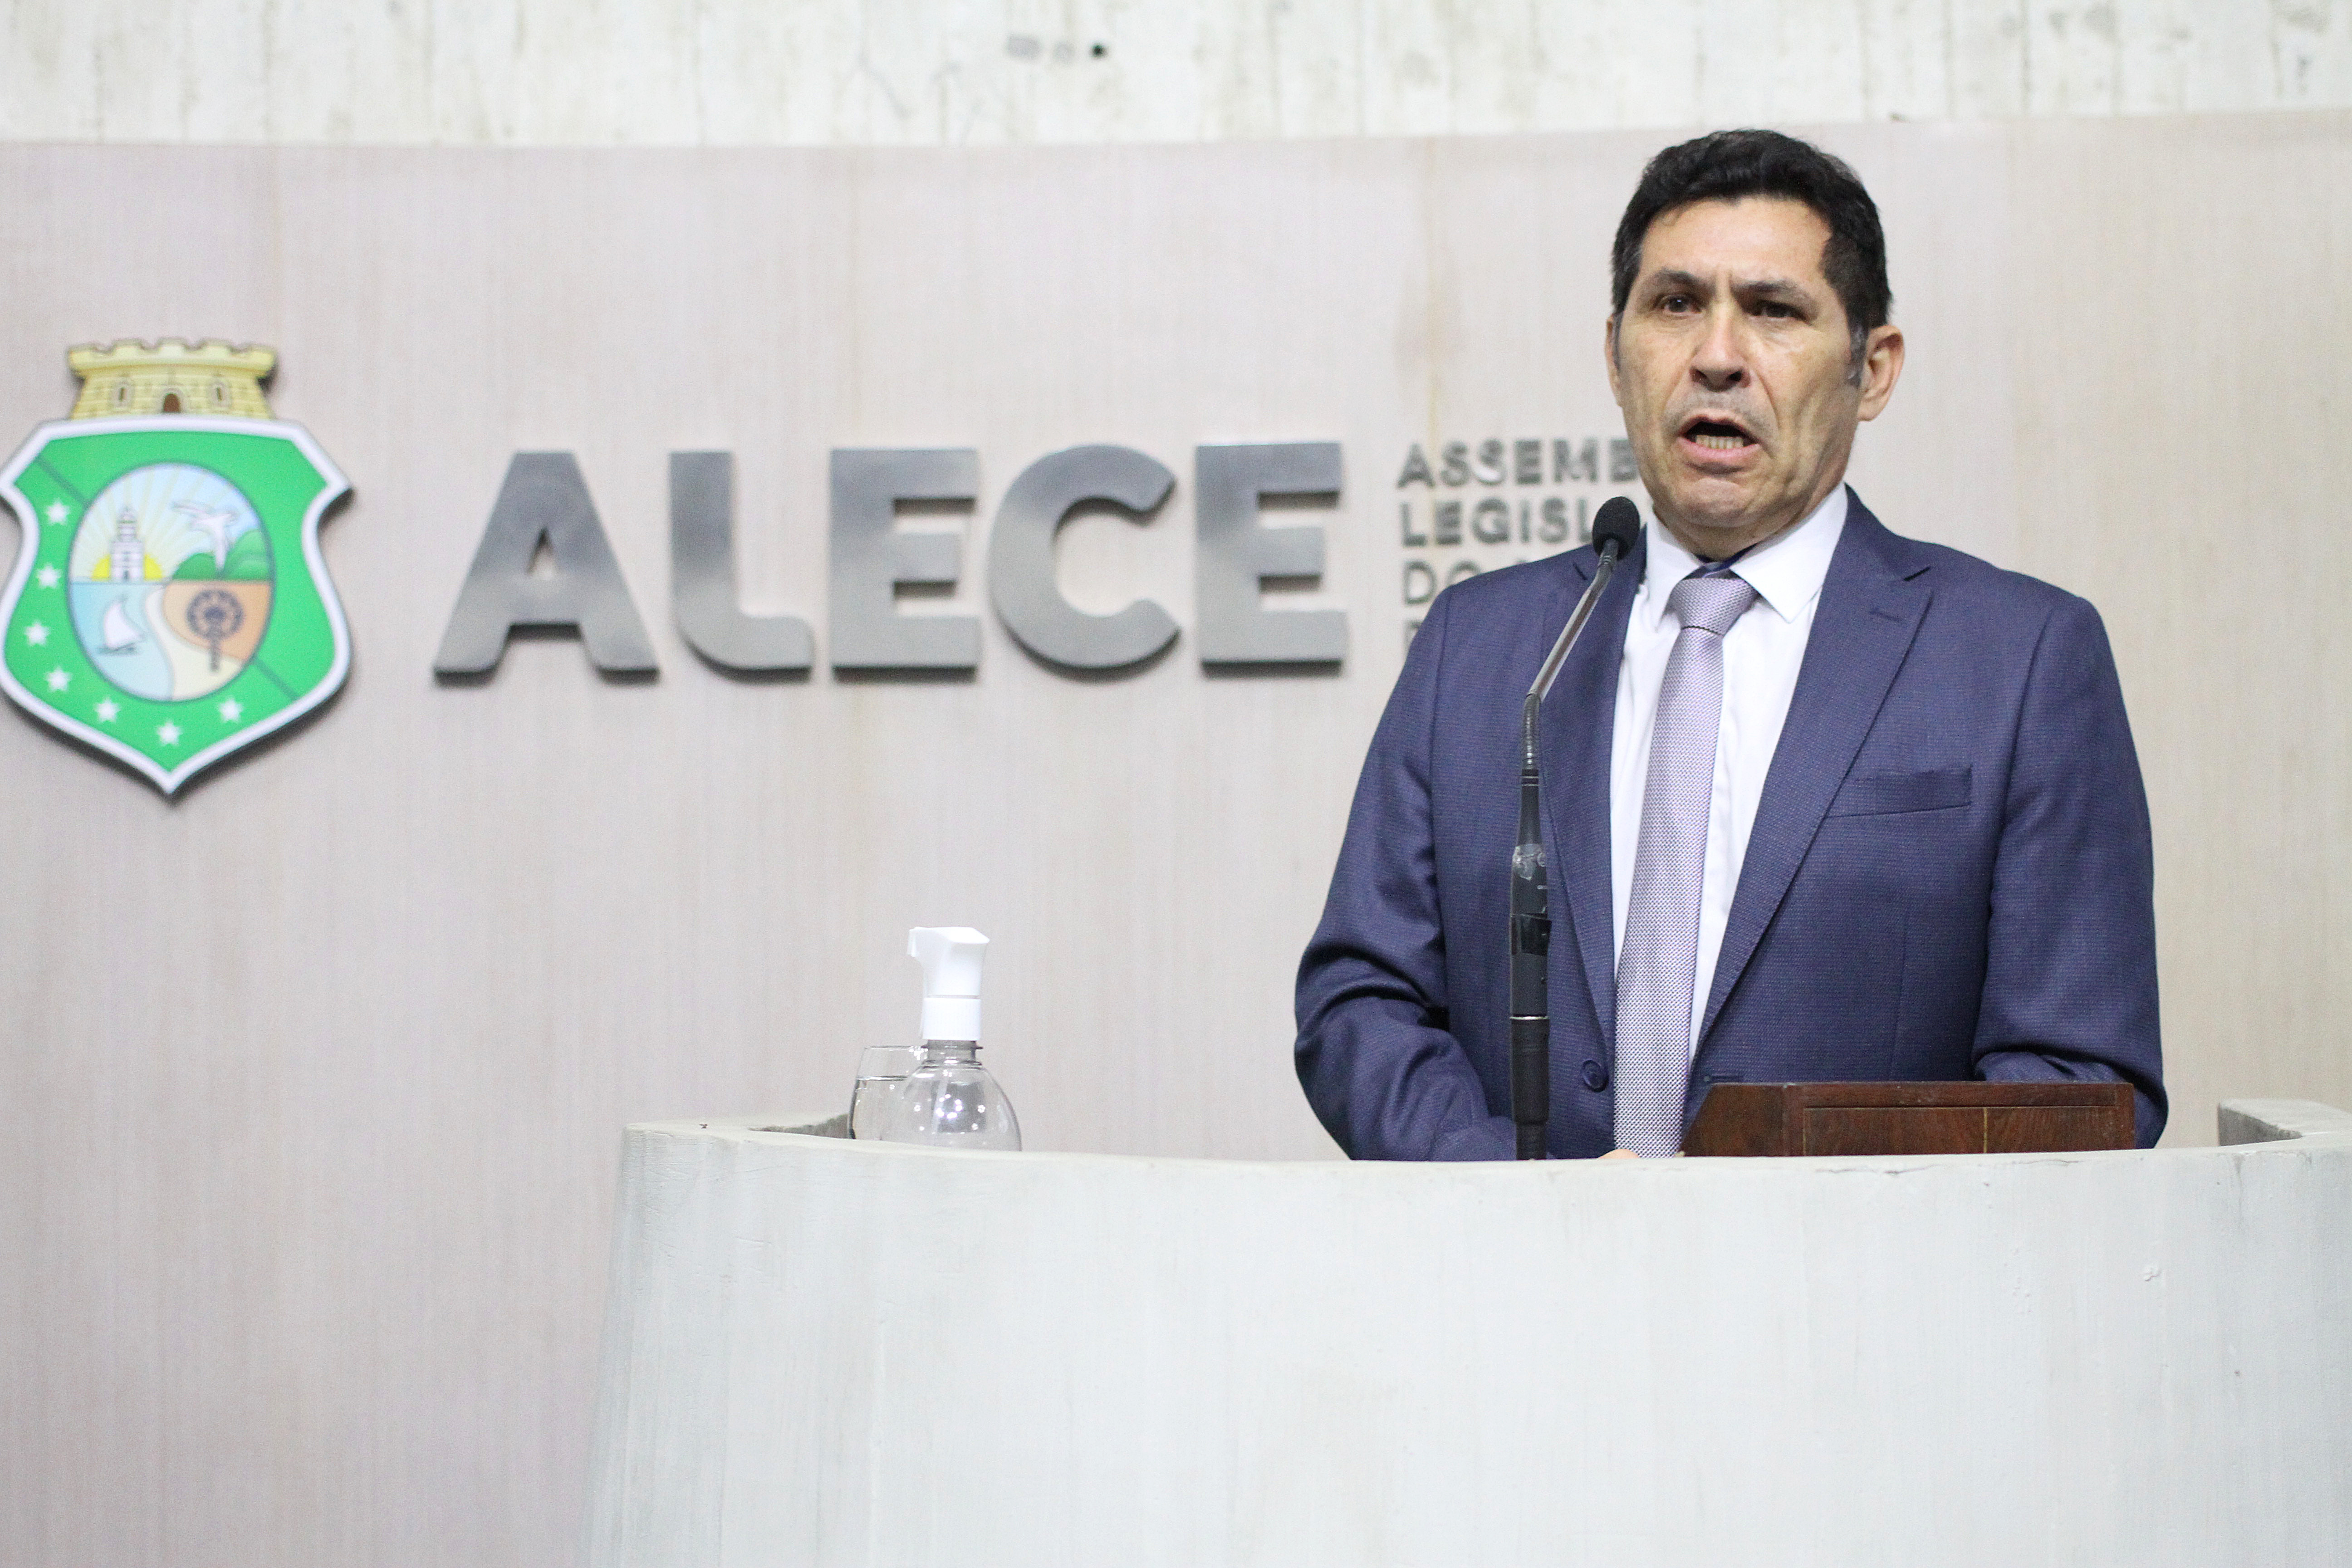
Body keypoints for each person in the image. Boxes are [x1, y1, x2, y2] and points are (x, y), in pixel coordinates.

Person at [1295, 129, 2163, 1159]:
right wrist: (1525, 1203)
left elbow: (2077, 1078)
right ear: (1615, 356)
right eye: (1675, 305)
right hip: (1529, 1257)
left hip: (1862, 1266)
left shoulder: (2020, 661)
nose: (1716, 355)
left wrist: (1786, 1229)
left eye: (1773, 309)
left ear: (1873, 369)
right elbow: (1362, 1000)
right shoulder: (1483, 649)